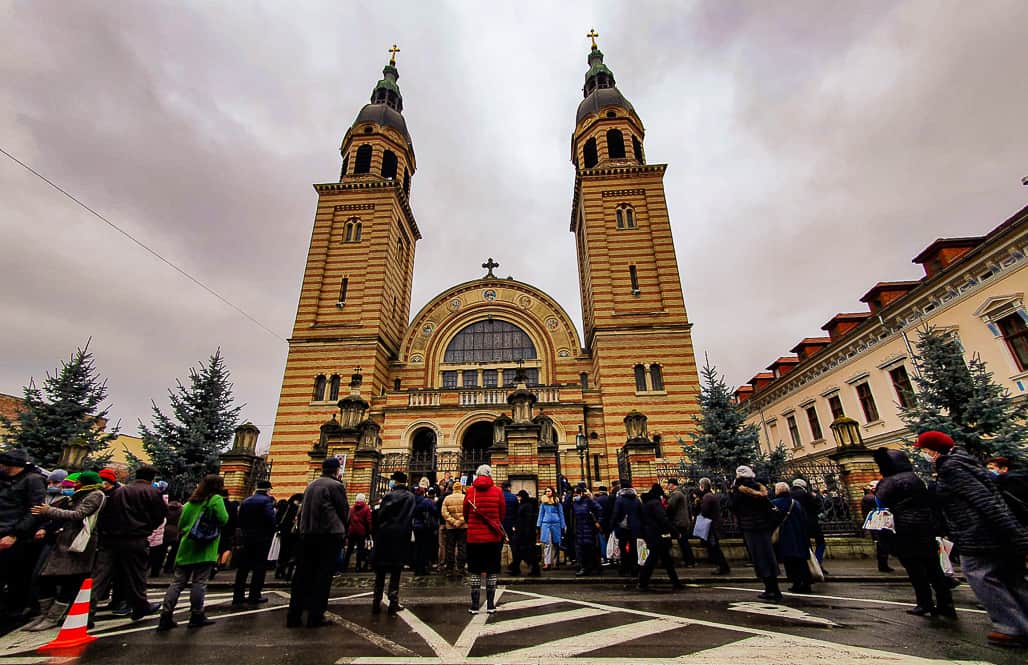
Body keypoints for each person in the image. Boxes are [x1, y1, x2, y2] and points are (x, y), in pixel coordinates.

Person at [917, 431, 1028, 647]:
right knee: (1012, 579)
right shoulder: (965, 462)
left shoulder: (952, 468)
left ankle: (1011, 628)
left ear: (933, 449)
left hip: (979, 535)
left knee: (981, 578)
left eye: (924, 449)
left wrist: (1014, 534)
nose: (923, 454)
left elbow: (985, 501)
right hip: (990, 533)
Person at [872, 448, 953, 617]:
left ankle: (925, 603)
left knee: (915, 569)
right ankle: (946, 604)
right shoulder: (916, 478)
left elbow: (880, 502)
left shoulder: (889, 482)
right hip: (925, 526)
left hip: (904, 530)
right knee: (934, 568)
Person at [22, 470, 105, 631]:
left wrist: (49, 510)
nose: (73, 486)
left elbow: (79, 515)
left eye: (76, 483)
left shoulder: (96, 495)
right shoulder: (75, 496)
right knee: (44, 578)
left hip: (78, 544)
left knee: (69, 581)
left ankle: (53, 617)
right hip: (62, 542)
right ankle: (46, 614)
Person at [93, 465, 166, 622]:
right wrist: (147, 528)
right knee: (136, 574)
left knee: (101, 576)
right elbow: (159, 516)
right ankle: (140, 606)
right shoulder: (152, 492)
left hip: (111, 539)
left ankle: (86, 611)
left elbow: (106, 514)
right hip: (135, 538)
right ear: (152, 478)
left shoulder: (119, 491)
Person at [157, 474, 229, 630]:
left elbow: (181, 524)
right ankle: (197, 615)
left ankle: (166, 616)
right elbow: (224, 519)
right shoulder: (215, 500)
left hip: (187, 546)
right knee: (199, 583)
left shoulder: (191, 502)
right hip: (205, 547)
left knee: (176, 583)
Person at [286, 457, 349, 628]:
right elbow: (343, 511)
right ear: (337, 470)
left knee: (302, 576)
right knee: (323, 576)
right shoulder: (336, 486)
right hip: (328, 536)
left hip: (307, 536)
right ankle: (315, 616)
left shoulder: (311, 485)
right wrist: (344, 531)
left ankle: (294, 615)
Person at [0, 448, 46, 622]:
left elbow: (35, 510)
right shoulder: (4, 479)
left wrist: (14, 534)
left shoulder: (33, 480)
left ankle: (16, 610)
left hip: (17, 537)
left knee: (17, 576)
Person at [730, 465, 782, 601]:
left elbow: (732, 506)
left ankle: (769, 589)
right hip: (764, 527)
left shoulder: (739, 491)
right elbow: (768, 507)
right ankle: (775, 588)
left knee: (759, 557)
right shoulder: (760, 489)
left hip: (750, 527)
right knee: (769, 555)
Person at [462, 464, 505, 614]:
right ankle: (491, 605)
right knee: (491, 571)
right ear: (490, 475)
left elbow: (466, 513)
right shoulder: (498, 491)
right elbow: (501, 513)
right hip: (492, 538)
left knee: (475, 571)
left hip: (474, 538)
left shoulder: (470, 492)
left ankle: (474, 606)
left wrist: (473, 525)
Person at [370, 471, 415, 615]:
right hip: (401, 536)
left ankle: (376, 603)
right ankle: (393, 603)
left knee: (380, 572)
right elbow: (410, 517)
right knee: (396, 571)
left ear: (395, 482)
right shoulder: (410, 497)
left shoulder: (388, 496)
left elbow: (380, 516)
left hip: (385, 536)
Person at [232, 480, 276, 607]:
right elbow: (270, 519)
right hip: (261, 538)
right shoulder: (267, 501)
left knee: (243, 568)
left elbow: (239, 518)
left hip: (246, 537)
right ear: (268, 489)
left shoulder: (246, 500)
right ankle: (254, 595)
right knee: (259, 567)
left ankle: (238, 596)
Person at [637, 483, 684, 592]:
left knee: (665, 560)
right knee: (653, 559)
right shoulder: (655, 504)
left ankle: (675, 582)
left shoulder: (646, 503)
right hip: (658, 535)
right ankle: (642, 583)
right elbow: (663, 519)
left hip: (651, 534)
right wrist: (675, 532)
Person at [771, 482, 813, 594]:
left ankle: (796, 583)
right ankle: (806, 582)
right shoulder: (796, 503)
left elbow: (772, 520)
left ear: (777, 491)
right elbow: (804, 518)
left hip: (785, 536)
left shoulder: (775, 503)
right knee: (801, 560)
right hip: (799, 535)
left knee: (790, 561)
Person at [789, 479, 826, 570]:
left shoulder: (789, 494)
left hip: (796, 524)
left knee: (806, 545)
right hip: (811, 522)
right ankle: (817, 562)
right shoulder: (806, 494)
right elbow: (818, 505)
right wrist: (816, 497)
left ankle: (809, 566)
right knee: (821, 542)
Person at [697, 478, 730, 575]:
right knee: (715, 547)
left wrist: (699, 505)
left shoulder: (707, 497)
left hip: (711, 527)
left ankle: (722, 567)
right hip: (714, 525)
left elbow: (704, 512)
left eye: (700, 486)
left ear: (702, 486)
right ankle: (724, 566)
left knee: (714, 548)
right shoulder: (711, 495)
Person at [610, 483, 643, 577]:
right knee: (633, 548)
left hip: (623, 528)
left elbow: (615, 513)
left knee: (623, 547)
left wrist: (612, 525)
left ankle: (624, 567)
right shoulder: (637, 500)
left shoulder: (619, 500)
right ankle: (634, 569)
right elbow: (641, 513)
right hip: (635, 528)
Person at [861, 481, 894, 572]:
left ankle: (883, 564)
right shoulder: (871, 498)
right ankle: (883, 565)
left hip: (881, 523)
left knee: (883, 544)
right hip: (878, 524)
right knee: (882, 544)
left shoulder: (872, 497)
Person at [987, 456, 1028, 525]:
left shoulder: (1012, 481)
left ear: (1004, 469)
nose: (988, 471)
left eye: (991, 469)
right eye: (987, 469)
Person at [665, 478, 696, 567]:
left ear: (672, 484)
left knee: (682, 542)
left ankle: (689, 561)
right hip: (683, 521)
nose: (668, 486)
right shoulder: (681, 493)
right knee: (683, 542)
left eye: (669, 484)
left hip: (678, 522)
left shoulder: (676, 494)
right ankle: (690, 561)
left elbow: (670, 507)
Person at [571, 487, 601, 576]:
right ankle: (585, 568)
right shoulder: (574, 503)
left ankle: (591, 567)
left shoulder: (588, 501)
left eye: (577, 494)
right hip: (579, 529)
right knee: (582, 550)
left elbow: (599, 509)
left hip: (589, 528)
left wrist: (597, 521)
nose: (575, 496)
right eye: (574, 495)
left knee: (590, 549)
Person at [510, 489, 540, 576]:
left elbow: (527, 521)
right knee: (520, 551)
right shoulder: (524, 505)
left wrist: (526, 534)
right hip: (522, 532)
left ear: (522, 497)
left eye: (519, 496)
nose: (518, 498)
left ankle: (533, 569)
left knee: (526, 552)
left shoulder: (526, 506)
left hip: (524, 534)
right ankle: (515, 568)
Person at [441, 481, 468, 577]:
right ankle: (461, 568)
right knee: (462, 547)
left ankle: (450, 568)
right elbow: (468, 513)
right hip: (463, 526)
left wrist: (452, 521)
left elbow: (444, 513)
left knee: (450, 547)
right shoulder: (465, 498)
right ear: (461, 488)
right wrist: (460, 521)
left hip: (450, 527)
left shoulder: (447, 498)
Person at [275, 494, 303, 580]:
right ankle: (288, 574)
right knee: (293, 554)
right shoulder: (298, 508)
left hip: (284, 533)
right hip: (294, 534)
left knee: (283, 552)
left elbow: (278, 518)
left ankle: (279, 571)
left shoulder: (285, 507)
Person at [343, 493, 373, 573]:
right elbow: (368, 521)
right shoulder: (366, 508)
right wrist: (369, 530)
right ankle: (358, 566)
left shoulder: (352, 508)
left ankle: (344, 566)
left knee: (349, 549)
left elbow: (348, 520)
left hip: (352, 531)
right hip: (361, 532)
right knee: (360, 549)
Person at [411, 487, 438, 576]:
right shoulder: (426, 501)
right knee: (424, 548)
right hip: (425, 527)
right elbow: (435, 511)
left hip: (416, 525)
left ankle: (416, 568)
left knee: (417, 547)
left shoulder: (413, 501)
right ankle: (422, 568)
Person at [536, 486, 565, 570]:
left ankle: (556, 563)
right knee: (547, 544)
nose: (548, 492)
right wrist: (538, 525)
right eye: (546, 491)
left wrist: (563, 525)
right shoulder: (543, 503)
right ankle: (547, 563)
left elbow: (561, 514)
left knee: (556, 543)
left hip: (556, 524)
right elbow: (541, 514)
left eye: (549, 491)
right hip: (546, 524)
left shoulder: (557, 503)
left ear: (552, 492)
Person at [592, 486, 611, 565]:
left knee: (602, 540)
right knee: (609, 539)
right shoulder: (610, 499)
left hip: (601, 523)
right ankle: (611, 557)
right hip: (609, 522)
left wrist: (597, 522)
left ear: (600, 492)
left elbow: (595, 512)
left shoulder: (597, 500)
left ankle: (605, 557)